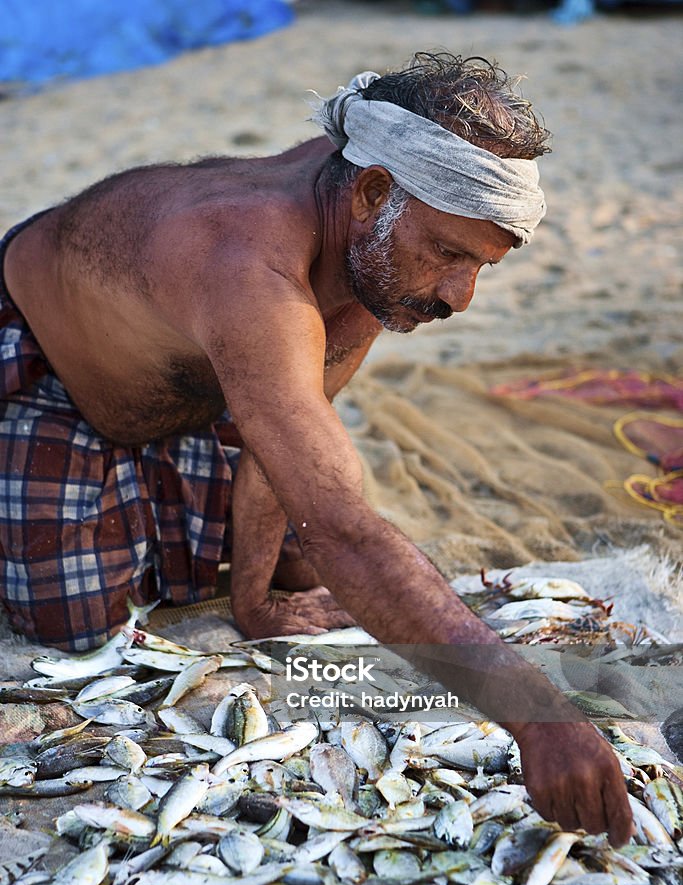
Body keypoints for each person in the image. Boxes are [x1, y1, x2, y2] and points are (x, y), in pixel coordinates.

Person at [0, 52, 633, 843]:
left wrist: (255, 603)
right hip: (50, 363)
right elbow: (338, 522)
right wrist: (537, 716)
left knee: (305, 573)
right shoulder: (247, 263)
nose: (458, 297)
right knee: (74, 634)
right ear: (370, 193)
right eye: (449, 254)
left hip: (193, 380)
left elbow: (303, 462)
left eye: (480, 266)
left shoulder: (374, 241)